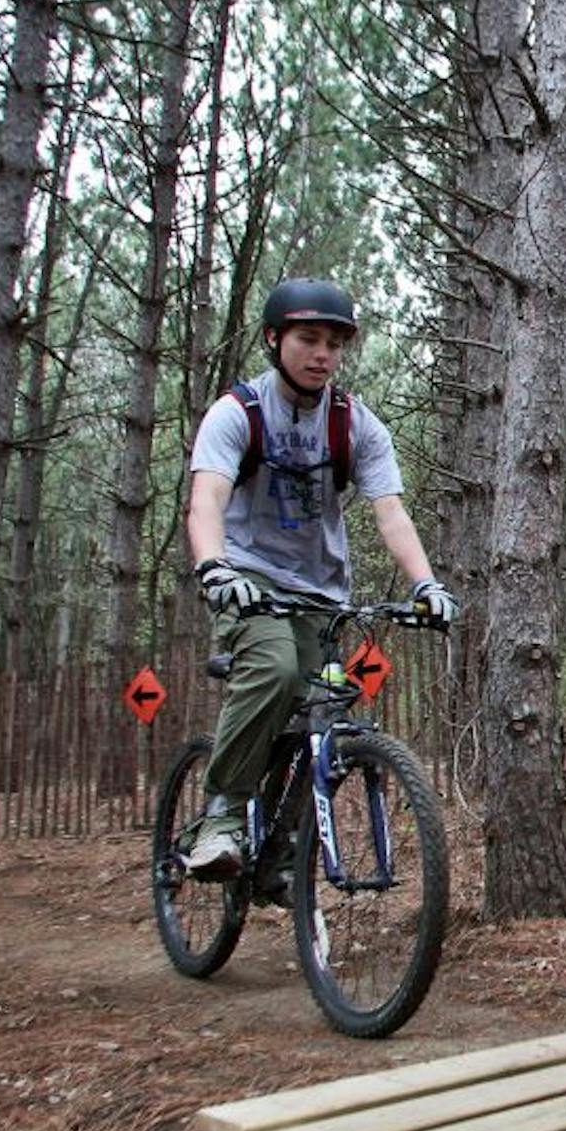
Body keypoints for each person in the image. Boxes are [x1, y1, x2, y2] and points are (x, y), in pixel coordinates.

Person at [179, 277, 459, 879]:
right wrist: (214, 567)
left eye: (334, 343)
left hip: (321, 593)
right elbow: (206, 500)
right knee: (275, 670)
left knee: (322, 714)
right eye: (308, 339)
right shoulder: (237, 413)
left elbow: (391, 513)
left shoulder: (354, 424)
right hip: (247, 578)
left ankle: (280, 852)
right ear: (273, 339)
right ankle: (222, 814)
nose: (322, 354)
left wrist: (426, 585)